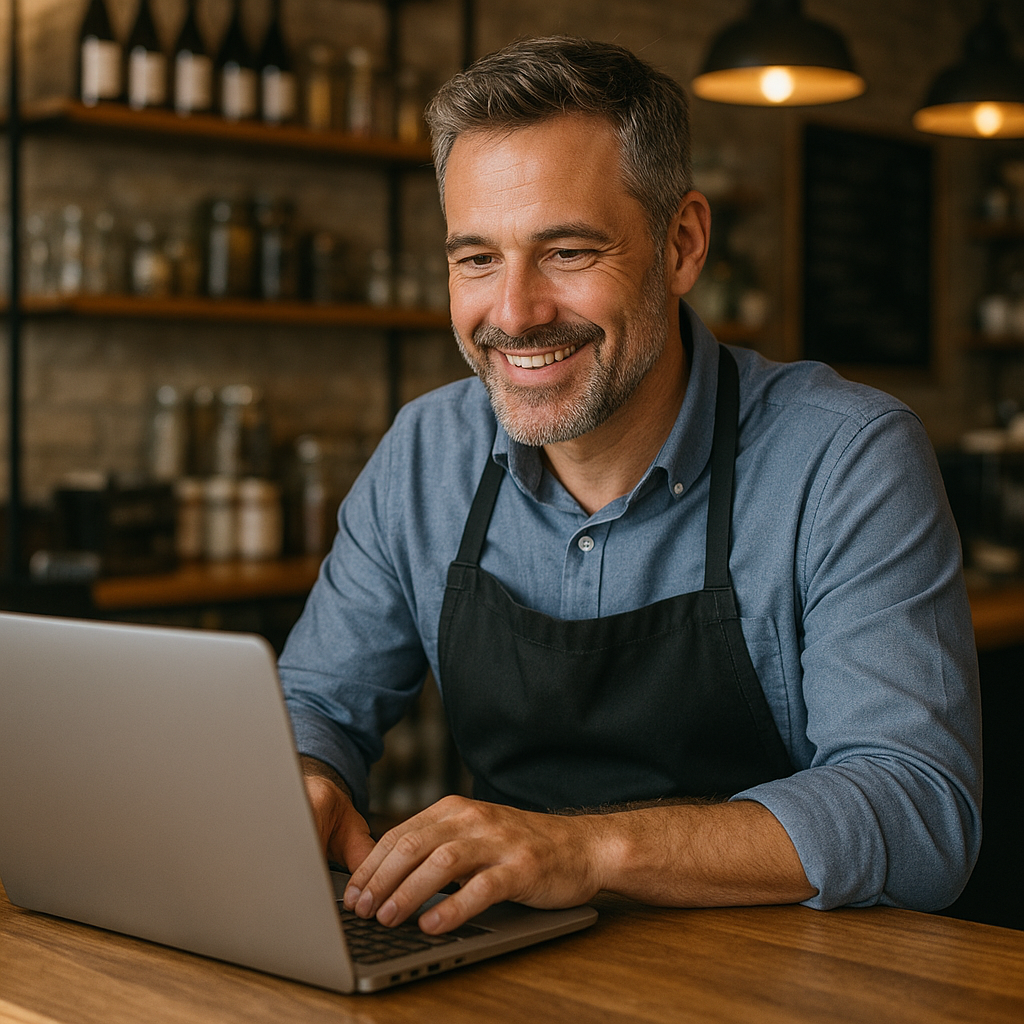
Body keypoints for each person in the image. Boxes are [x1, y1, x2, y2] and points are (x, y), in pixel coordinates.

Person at [279, 35, 981, 937]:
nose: (515, 313)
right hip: (496, 960)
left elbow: (919, 808)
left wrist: (582, 852)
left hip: (783, 976)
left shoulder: (845, 456)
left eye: (568, 251)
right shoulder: (425, 452)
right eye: (477, 258)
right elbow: (316, 702)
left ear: (681, 244)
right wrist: (305, 776)